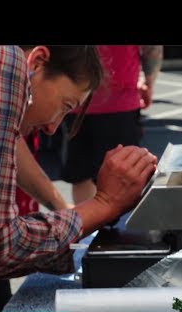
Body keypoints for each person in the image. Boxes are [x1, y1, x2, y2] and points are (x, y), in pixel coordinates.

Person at [0, 45, 157, 312]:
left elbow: (4, 141)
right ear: (38, 62)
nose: (53, 127)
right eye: (66, 106)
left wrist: (62, 207)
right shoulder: (2, 62)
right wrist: (104, 205)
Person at [60, 45, 163, 204]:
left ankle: (91, 226)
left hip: (76, 98)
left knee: (82, 177)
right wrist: (149, 82)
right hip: (119, 100)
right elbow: (152, 49)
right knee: (127, 175)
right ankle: (114, 225)